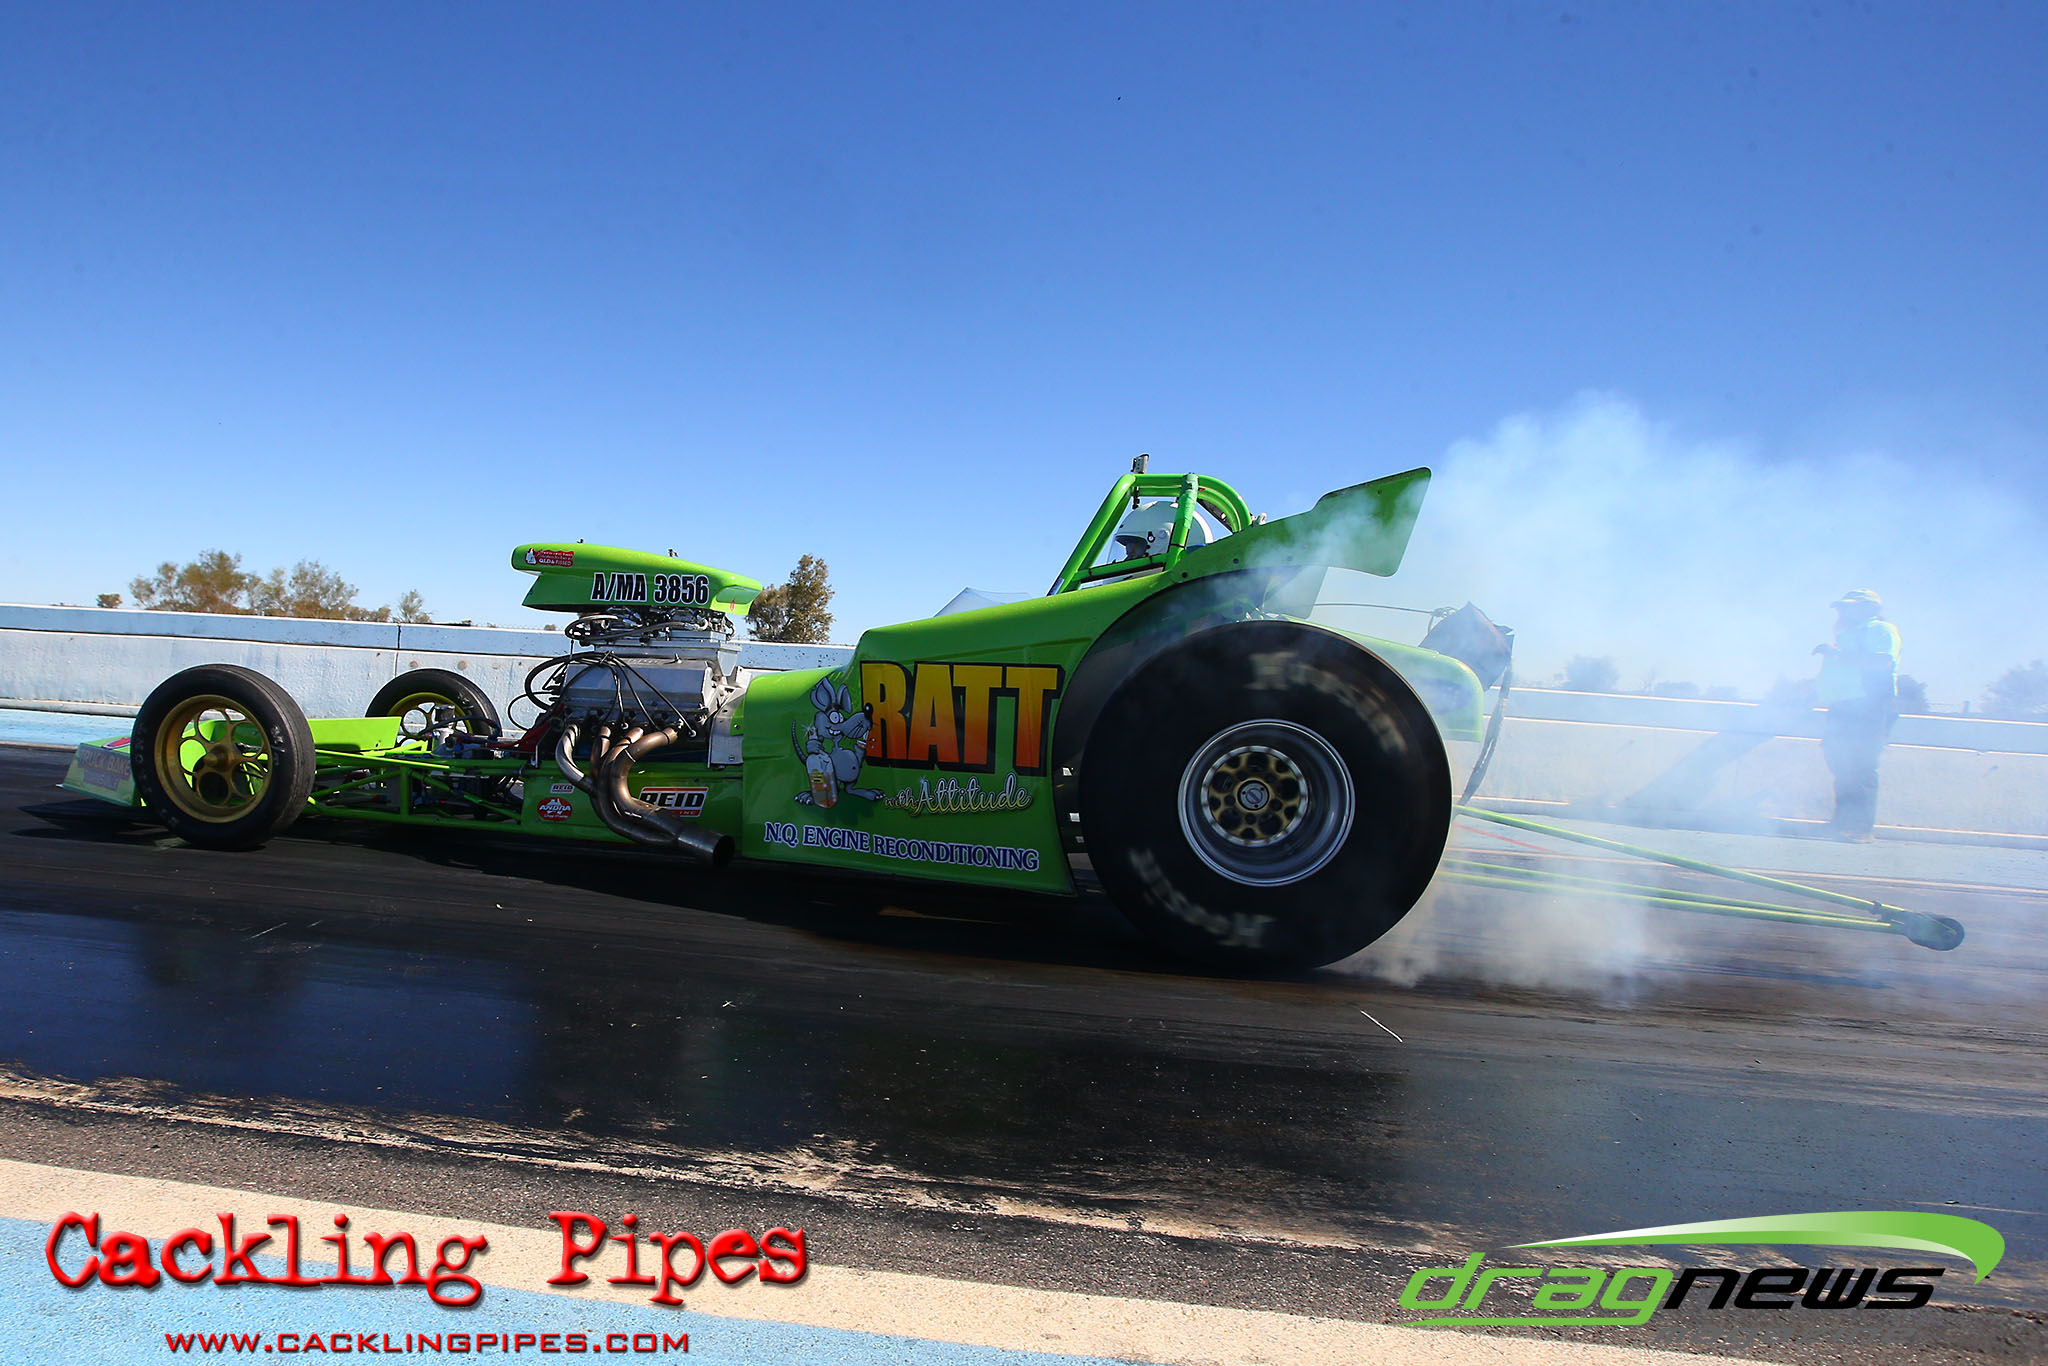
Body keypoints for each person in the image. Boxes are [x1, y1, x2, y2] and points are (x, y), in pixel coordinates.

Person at [1813, 589, 1902, 842]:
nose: (1842, 612)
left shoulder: (1880, 629)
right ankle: (1842, 824)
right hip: (1844, 707)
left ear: (1869, 608)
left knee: (1861, 766)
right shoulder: (1850, 635)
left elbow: (1881, 663)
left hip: (1869, 707)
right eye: (1841, 607)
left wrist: (1837, 654)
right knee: (1842, 765)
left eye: (1849, 607)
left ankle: (1860, 829)